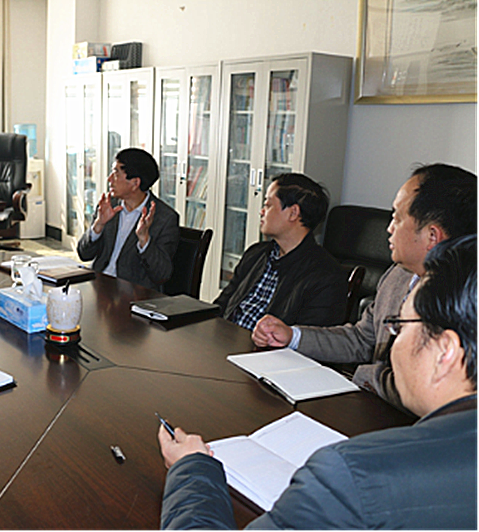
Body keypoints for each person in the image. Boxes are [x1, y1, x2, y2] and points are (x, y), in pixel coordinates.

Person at [159, 234, 478, 531]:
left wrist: (191, 470)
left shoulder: (353, 476)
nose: (392, 342)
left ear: (445, 352)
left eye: (400, 326)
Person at [251, 164, 478, 408]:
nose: (389, 228)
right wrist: (292, 336)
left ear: (432, 236)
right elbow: (361, 339)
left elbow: (442, 396)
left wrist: (370, 376)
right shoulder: (398, 275)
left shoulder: (465, 302)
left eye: (397, 218)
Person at [212, 173, 347, 330]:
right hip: (226, 338)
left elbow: (308, 339)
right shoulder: (256, 254)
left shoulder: (326, 276)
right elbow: (220, 307)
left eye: (268, 205)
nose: (262, 212)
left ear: (293, 213)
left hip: (261, 346)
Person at [77, 148, 180, 291]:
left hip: (132, 293)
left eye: (116, 174)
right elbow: (84, 254)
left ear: (135, 183)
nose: (109, 179)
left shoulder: (164, 218)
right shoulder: (109, 206)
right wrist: (98, 225)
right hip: (99, 285)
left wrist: (144, 240)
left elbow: (161, 275)